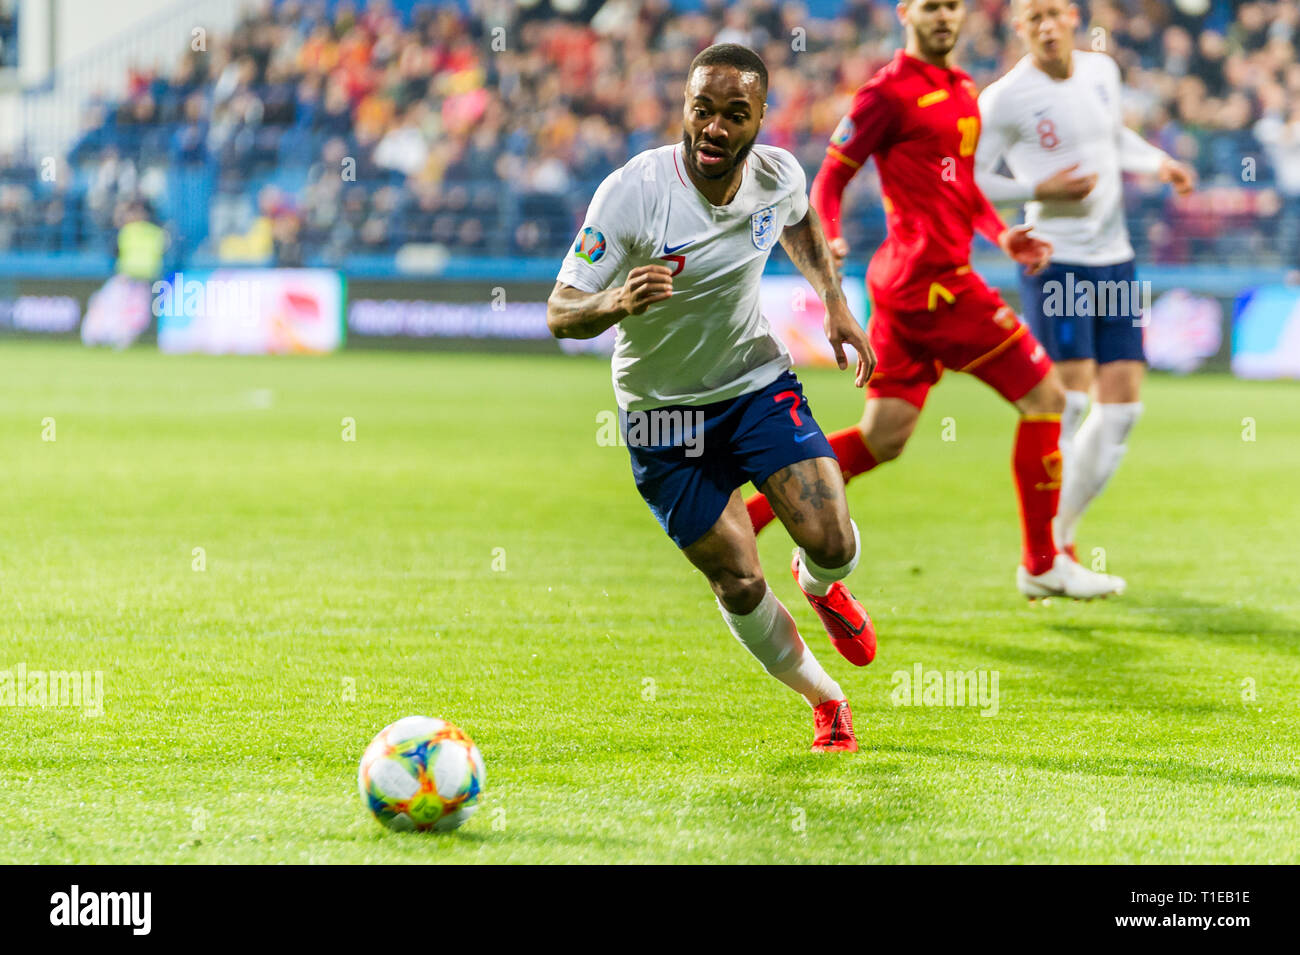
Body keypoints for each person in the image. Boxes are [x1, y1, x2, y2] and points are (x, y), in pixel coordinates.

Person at [547, 44, 877, 752]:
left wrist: (834, 301)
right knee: (736, 579)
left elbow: (799, 220)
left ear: (760, 118)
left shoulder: (778, 173)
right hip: (661, 414)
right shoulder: (632, 192)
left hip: (754, 384)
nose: (715, 128)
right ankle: (826, 700)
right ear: (685, 109)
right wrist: (616, 299)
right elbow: (559, 312)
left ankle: (821, 584)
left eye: (735, 113)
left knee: (834, 540)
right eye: (703, 110)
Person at [744, 0, 1124, 599]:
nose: (943, 16)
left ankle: (748, 517)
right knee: (1048, 397)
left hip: (906, 289)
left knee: (883, 438)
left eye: (952, 6)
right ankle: (1042, 561)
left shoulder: (961, 87)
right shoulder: (886, 93)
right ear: (907, 14)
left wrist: (1003, 235)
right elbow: (833, 175)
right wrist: (833, 232)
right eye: (931, 6)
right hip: (936, 285)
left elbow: (963, 184)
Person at [975, 0, 1196, 567]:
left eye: (1054, 14)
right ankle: (1045, 553)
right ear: (1019, 29)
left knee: (1121, 412)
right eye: (1033, 19)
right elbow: (969, 179)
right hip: (1058, 262)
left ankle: (1062, 535)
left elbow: (1113, 138)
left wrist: (1158, 163)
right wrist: (1039, 189)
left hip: (1115, 259)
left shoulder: (1103, 71)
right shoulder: (1004, 98)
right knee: (1069, 404)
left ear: (1074, 17)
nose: (1046, 27)